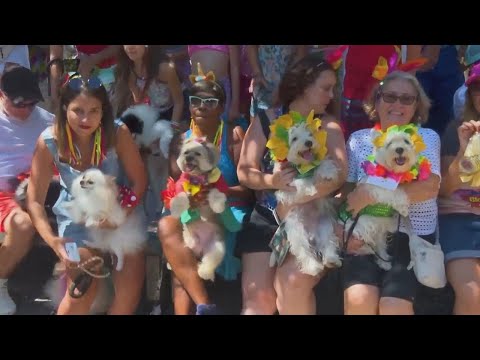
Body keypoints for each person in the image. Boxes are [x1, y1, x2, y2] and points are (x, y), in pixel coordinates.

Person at [26, 72, 147, 315]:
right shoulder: (49, 141)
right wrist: (54, 242)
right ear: (63, 108)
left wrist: (120, 215)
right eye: (78, 110)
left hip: (121, 211)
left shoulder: (117, 133)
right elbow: (35, 201)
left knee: (130, 286)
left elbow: (139, 181)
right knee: (83, 284)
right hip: (78, 218)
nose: (86, 118)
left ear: (103, 111)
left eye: (94, 111)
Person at [237, 52, 347, 314]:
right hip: (267, 218)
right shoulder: (265, 119)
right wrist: (270, 180)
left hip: (312, 218)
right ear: (302, 86)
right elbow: (245, 171)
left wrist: (297, 198)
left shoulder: (328, 124)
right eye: (326, 88)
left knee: (293, 283)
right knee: (257, 299)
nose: (331, 95)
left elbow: (339, 175)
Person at [340, 70, 440, 315]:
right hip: (365, 233)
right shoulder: (359, 140)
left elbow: (429, 188)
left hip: (411, 235)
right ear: (377, 100)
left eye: (407, 99)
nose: (397, 104)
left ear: (417, 105)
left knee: (393, 306)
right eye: (390, 96)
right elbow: (348, 197)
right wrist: (341, 229)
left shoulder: (425, 138)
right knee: (359, 298)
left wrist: (373, 193)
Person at [158, 70, 252, 315]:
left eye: (209, 102)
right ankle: (201, 307)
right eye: (195, 101)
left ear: (221, 107)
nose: (201, 107)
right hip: (189, 211)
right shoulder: (180, 141)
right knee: (172, 232)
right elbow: (172, 188)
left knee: (202, 244)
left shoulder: (234, 136)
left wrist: (217, 191)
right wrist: (190, 199)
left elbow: (249, 191)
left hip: (228, 209)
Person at [0, 66, 54, 315]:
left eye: (31, 103)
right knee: (22, 225)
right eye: (19, 104)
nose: (26, 110)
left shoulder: (47, 120)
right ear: (2, 95)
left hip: (38, 188)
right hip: (4, 193)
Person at [438, 63, 480, 314]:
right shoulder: (456, 131)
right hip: (458, 220)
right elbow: (445, 189)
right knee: (473, 292)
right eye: (478, 88)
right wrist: (464, 148)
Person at [112, 45, 184, 128]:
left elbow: (179, 102)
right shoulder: (129, 70)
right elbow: (138, 100)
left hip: (178, 111)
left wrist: (174, 126)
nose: (130, 47)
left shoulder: (164, 68)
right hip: (157, 112)